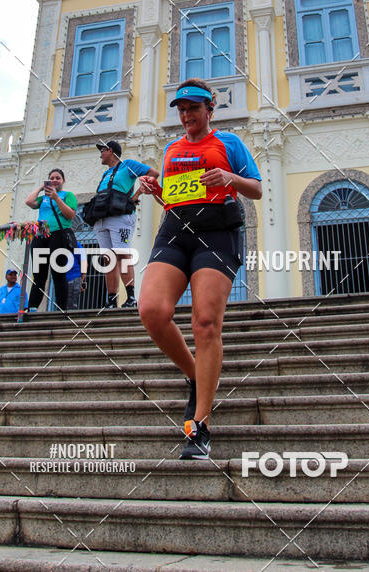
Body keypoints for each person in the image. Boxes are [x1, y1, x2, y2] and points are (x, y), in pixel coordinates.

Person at [138, 79, 262, 459]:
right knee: (152, 310)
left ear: (210, 109)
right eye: (182, 109)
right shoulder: (171, 149)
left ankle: (200, 425)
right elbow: (174, 197)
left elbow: (255, 188)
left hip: (218, 231)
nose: (187, 115)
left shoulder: (230, 144)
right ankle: (195, 373)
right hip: (176, 229)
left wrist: (230, 178)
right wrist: (155, 189)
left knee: (205, 322)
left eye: (194, 108)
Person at [93, 140, 159, 309]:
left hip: (121, 216)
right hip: (102, 218)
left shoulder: (127, 165)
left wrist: (136, 194)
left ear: (111, 150)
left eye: (102, 150)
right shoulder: (106, 173)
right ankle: (111, 300)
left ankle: (130, 297)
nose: (100, 154)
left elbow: (153, 173)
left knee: (122, 255)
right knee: (108, 259)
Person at [25, 169, 77, 313]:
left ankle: (61, 307)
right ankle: (32, 307)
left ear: (63, 181)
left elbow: (70, 214)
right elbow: (29, 201)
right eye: (51, 178)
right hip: (41, 235)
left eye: (58, 178)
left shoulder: (68, 195)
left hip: (59, 235)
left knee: (58, 273)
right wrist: (42, 188)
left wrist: (56, 197)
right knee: (39, 275)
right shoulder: (44, 198)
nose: (55, 180)